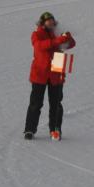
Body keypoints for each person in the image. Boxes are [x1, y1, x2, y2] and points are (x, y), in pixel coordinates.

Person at [25, 11, 75, 141]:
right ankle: (29, 129)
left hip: (57, 70)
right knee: (36, 103)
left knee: (56, 103)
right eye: (48, 21)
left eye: (52, 20)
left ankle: (55, 129)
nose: (51, 23)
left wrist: (68, 37)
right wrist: (59, 39)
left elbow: (71, 44)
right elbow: (40, 46)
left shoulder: (58, 32)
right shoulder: (36, 34)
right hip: (40, 73)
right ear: (42, 22)